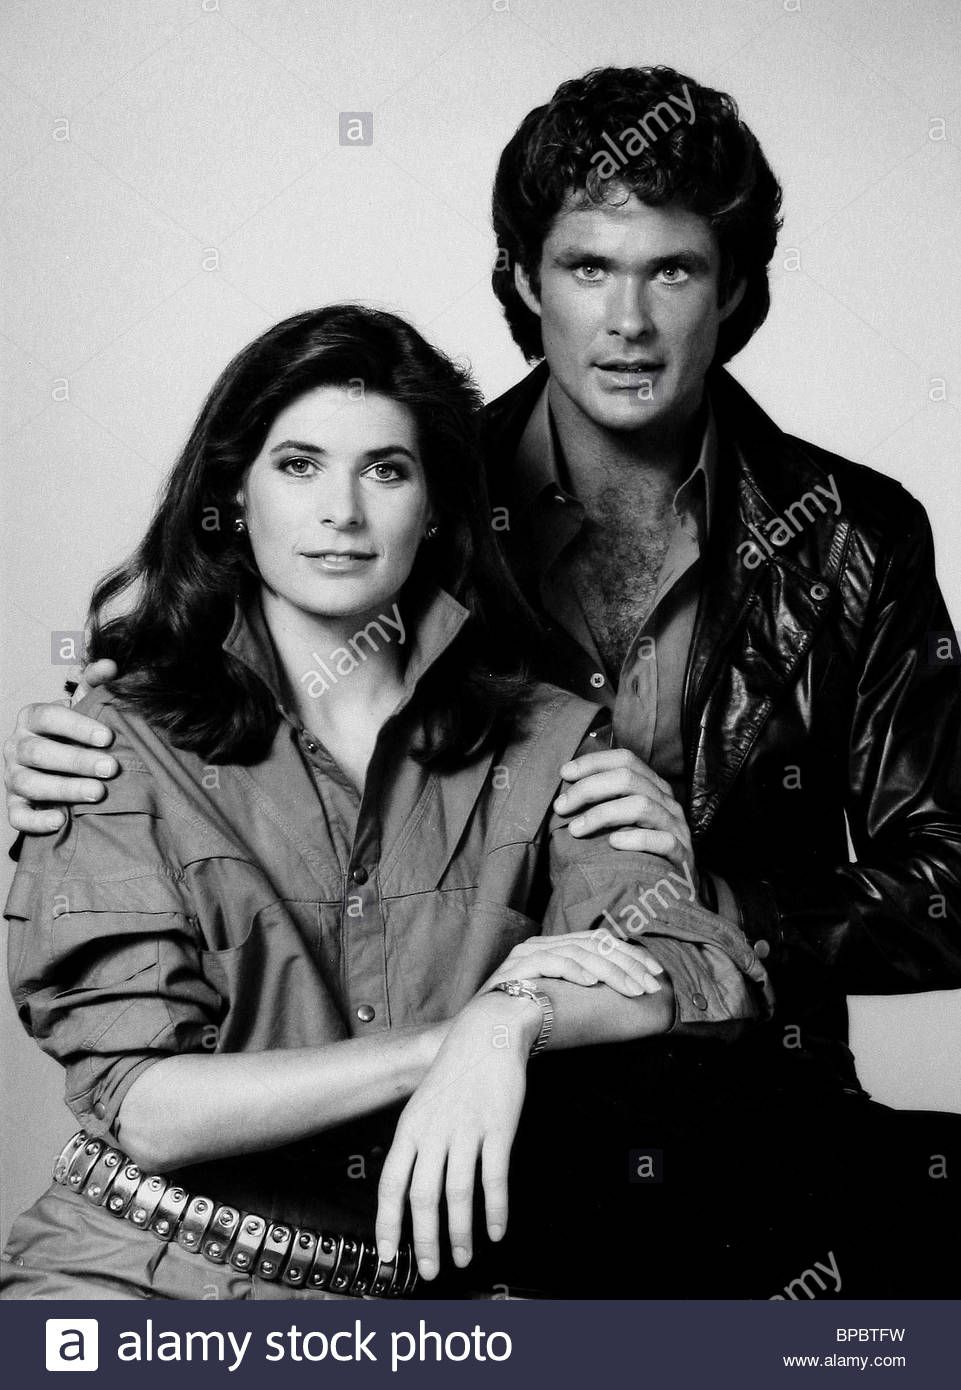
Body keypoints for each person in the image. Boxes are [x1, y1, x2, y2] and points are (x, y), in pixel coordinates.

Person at [7, 65, 961, 1295]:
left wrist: (706, 895)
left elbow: (948, 881)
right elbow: (252, 688)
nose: (628, 321)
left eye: (672, 270)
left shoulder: (849, 533)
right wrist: (106, 732)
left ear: (731, 288)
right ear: (521, 278)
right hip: (459, 1151)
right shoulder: (423, 486)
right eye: (587, 268)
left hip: (716, 1091)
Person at [0, 305, 769, 1301]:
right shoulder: (115, 743)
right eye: (298, 465)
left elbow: (693, 968)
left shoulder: (549, 738)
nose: (343, 511)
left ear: (437, 504)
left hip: (432, 1298)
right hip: (140, 1273)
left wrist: (512, 1019)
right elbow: (145, 1106)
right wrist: (452, 1045)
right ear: (234, 491)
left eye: (387, 470)